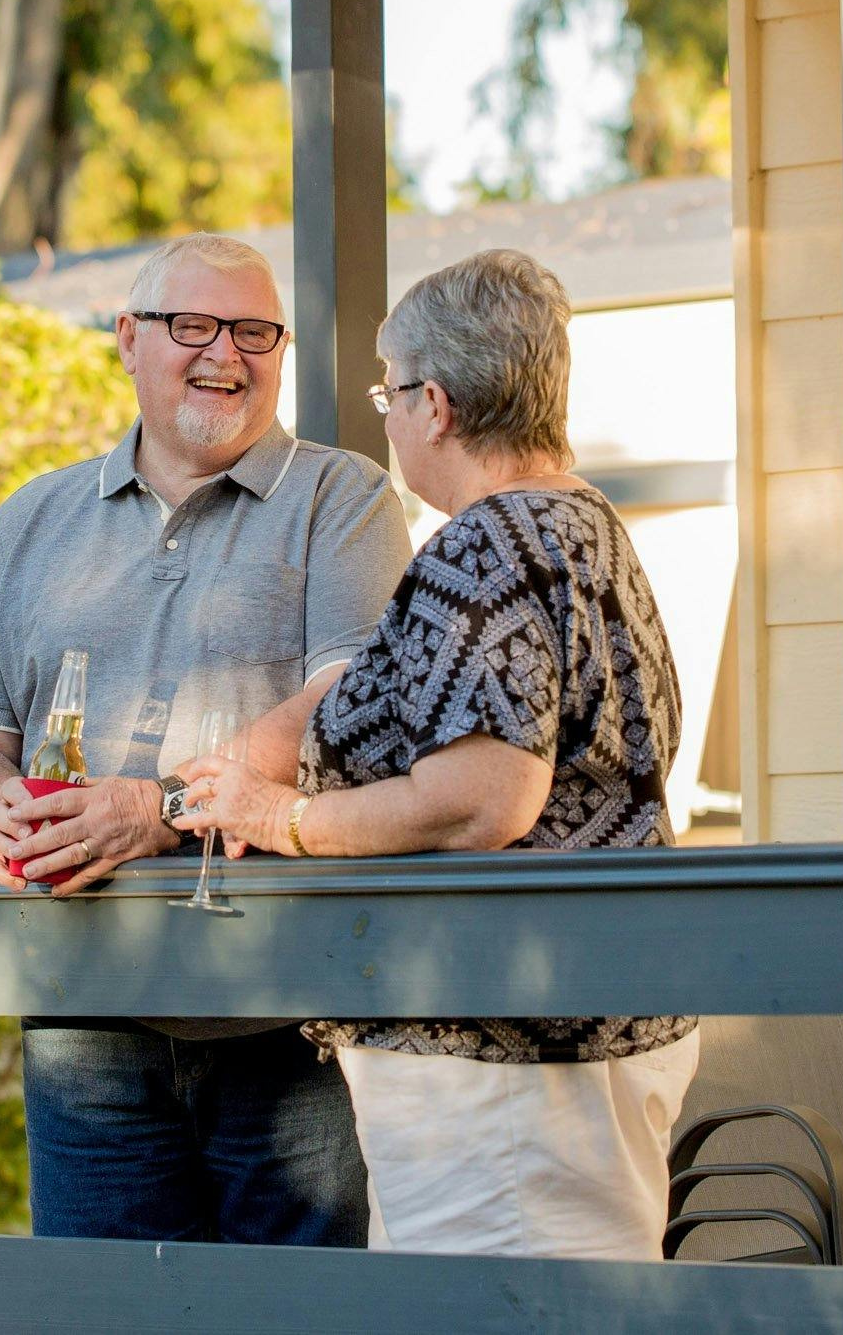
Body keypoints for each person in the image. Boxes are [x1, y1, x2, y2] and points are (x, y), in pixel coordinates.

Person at [174, 247, 698, 1261]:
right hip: (592, 1021)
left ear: (437, 404)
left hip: (501, 1061)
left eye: (386, 389)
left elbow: (481, 798)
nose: (384, 413)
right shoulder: (583, 524)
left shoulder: (484, 546)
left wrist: (275, 817)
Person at [0, 231, 411, 1246]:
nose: (224, 354)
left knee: (292, 1331)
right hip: (80, 1009)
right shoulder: (33, 517)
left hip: (283, 1013)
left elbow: (347, 693)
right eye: (192, 325)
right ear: (127, 339)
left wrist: (156, 808)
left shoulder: (342, 496)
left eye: (253, 331)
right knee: (104, 1323)